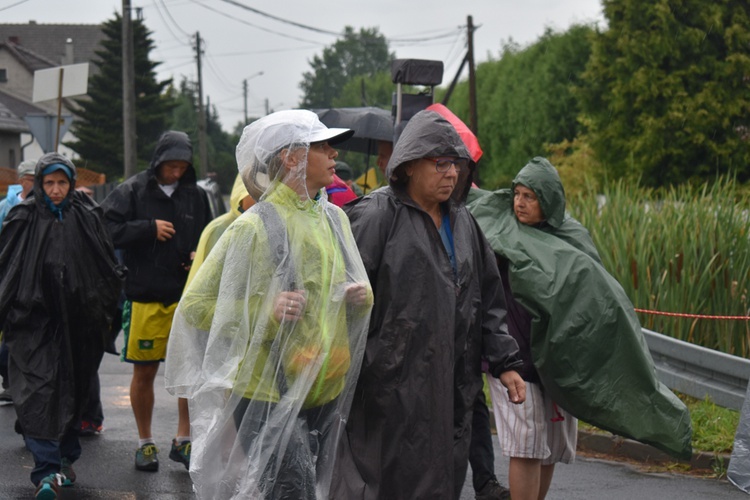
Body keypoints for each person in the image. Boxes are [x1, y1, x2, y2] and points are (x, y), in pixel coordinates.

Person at [165, 109, 372, 499]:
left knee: (318, 490)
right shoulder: (253, 226)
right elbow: (195, 305)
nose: (334, 155)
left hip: (326, 388)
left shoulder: (333, 219)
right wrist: (265, 311)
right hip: (267, 391)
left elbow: (346, 292)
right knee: (292, 493)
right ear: (290, 157)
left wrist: (360, 297)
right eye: (322, 146)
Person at [467, 157, 692, 499]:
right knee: (525, 446)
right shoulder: (500, 231)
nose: (519, 202)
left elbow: (593, 292)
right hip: (512, 357)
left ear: (550, 201)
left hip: (555, 360)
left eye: (530, 196)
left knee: (550, 447)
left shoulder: (570, 235)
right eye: (517, 194)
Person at [332, 109, 526, 499]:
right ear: (407, 167)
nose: (451, 174)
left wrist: (505, 364)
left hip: (453, 384)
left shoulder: (464, 222)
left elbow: (488, 298)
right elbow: (338, 298)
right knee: (388, 483)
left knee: (441, 480)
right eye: (440, 164)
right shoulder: (376, 217)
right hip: (389, 389)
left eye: (455, 165)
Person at [0, 153, 124, 499]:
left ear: (71, 184)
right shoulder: (21, 218)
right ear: (40, 184)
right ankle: (45, 470)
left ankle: (65, 458)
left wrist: (105, 313)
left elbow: (105, 265)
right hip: (32, 324)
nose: (56, 190)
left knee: (74, 388)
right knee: (35, 390)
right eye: (49, 183)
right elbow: (6, 269)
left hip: (80, 325)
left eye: (62, 183)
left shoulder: (87, 216)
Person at [101, 131, 211, 472]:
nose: (176, 173)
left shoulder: (196, 196)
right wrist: (147, 228)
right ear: (158, 161)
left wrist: (198, 254)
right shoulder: (132, 190)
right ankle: (144, 443)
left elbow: (210, 236)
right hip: (144, 295)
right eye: (171, 166)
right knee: (144, 371)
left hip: (186, 298)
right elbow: (104, 228)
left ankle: (183, 440)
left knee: (188, 374)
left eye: (182, 167)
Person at [0, 159, 36, 404]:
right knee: (9, 338)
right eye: (32, 178)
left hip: (32, 281)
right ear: (22, 180)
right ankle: (10, 381)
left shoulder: (45, 205)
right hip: (9, 278)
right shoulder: (7, 205)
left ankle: (19, 384)